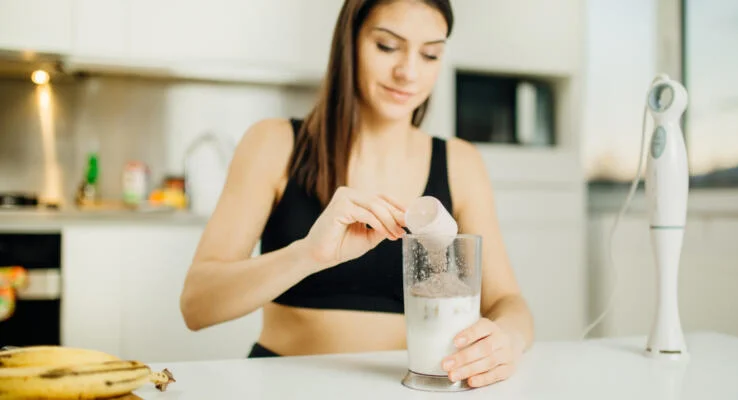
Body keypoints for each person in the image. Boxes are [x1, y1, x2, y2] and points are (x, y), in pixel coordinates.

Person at [179, 0, 534, 388]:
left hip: (406, 389)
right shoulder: (275, 144)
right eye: (387, 46)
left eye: (430, 54)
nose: (408, 72)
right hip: (283, 388)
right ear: (349, 41)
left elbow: (507, 303)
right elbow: (197, 305)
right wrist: (309, 254)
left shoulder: (461, 163)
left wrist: (508, 340)